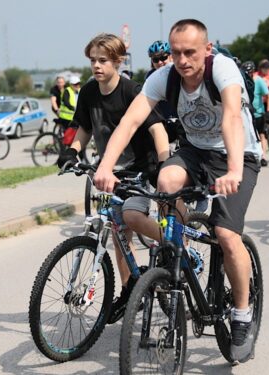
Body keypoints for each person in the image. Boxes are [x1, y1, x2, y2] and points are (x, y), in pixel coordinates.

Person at [92, 19, 261, 363]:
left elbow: (230, 117)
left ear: (207, 50)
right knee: (166, 181)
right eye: (175, 53)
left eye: (190, 52)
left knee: (227, 237)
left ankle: (242, 315)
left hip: (237, 154)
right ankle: (174, 251)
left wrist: (233, 171)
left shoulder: (223, 70)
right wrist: (105, 166)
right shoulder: (164, 78)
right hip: (195, 150)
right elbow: (130, 121)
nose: (182, 60)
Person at [55, 33, 169, 324]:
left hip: (142, 168)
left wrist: (163, 164)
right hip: (110, 171)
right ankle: (131, 290)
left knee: (131, 216)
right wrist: (71, 151)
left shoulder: (133, 91)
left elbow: (157, 129)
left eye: (103, 60)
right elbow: (84, 129)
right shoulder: (89, 92)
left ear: (118, 61)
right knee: (119, 235)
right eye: (93, 60)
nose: (96, 65)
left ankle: (171, 244)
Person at [243, 60, 269, 167]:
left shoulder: (258, 81)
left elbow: (268, 96)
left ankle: (263, 157)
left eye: (250, 73)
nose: (248, 75)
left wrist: (268, 111)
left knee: (262, 134)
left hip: (258, 113)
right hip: (247, 113)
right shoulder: (242, 80)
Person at [58, 76, 81, 146]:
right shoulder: (67, 91)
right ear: (71, 84)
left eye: (78, 84)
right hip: (65, 117)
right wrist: (73, 108)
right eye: (75, 84)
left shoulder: (80, 90)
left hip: (74, 117)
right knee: (67, 137)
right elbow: (66, 102)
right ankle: (64, 149)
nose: (77, 86)